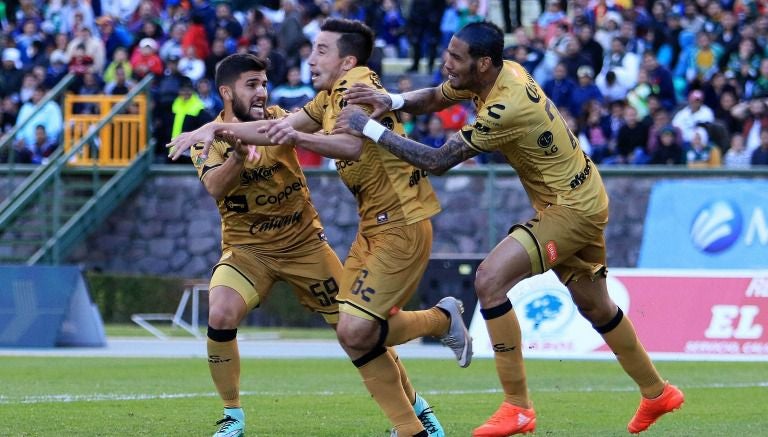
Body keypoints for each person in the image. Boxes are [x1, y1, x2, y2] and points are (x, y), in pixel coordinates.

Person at [338, 21, 685, 436]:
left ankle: (517, 406)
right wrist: (390, 98)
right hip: (583, 195)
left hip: (571, 207)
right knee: (596, 306)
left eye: (455, 58)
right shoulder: (504, 70)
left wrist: (368, 127)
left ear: (483, 63)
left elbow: (437, 161)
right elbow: (434, 96)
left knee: (489, 280)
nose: (447, 64)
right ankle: (656, 391)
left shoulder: (507, 105)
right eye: (448, 53)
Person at [167, 20, 473, 437]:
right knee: (223, 313)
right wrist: (220, 135)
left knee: (358, 330)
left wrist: (280, 136)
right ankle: (233, 417)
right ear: (226, 92)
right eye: (252, 84)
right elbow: (217, 185)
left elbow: (332, 140)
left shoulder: (346, 89)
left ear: (346, 60)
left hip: (311, 246)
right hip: (249, 251)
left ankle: (422, 399)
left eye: (263, 83)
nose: (262, 92)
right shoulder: (236, 132)